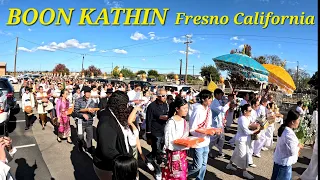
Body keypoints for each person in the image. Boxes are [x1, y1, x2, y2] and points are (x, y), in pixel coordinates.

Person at [93, 91, 133, 180]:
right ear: (120, 106)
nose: (127, 107)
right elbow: (107, 150)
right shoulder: (107, 123)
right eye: (125, 105)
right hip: (107, 167)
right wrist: (127, 163)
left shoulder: (114, 114)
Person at [226, 104, 260, 179]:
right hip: (241, 140)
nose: (251, 112)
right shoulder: (241, 119)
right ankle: (244, 171)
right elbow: (246, 131)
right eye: (250, 110)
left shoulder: (248, 117)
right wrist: (256, 131)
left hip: (245, 139)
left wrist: (256, 125)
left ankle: (229, 165)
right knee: (243, 155)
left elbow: (251, 124)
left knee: (236, 153)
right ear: (245, 111)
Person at [188, 90, 214, 180]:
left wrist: (212, 131)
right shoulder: (197, 110)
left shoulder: (208, 110)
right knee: (197, 166)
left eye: (211, 98)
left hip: (206, 141)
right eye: (209, 98)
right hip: (198, 142)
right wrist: (203, 132)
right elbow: (192, 128)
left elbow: (209, 125)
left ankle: (200, 179)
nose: (211, 100)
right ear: (203, 99)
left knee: (204, 164)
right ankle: (181, 174)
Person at [162, 97, 190, 180]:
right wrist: (181, 144)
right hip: (173, 154)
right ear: (177, 109)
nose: (186, 110)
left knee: (182, 176)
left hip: (182, 154)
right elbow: (168, 142)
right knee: (174, 176)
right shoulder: (171, 122)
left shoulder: (184, 121)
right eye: (184, 108)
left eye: (187, 108)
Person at [271, 110, 302, 180]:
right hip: (284, 163)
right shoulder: (289, 134)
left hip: (279, 160)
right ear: (293, 121)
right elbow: (292, 152)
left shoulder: (283, 128)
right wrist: (298, 147)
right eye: (298, 120)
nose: (299, 122)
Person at [145, 88, 169, 180]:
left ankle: (148, 158)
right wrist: (148, 135)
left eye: (165, 95)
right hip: (155, 132)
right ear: (158, 96)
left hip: (163, 131)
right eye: (163, 96)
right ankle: (158, 171)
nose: (164, 97)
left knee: (158, 151)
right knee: (158, 153)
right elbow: (148, 120)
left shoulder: (165, 105)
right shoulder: (151, 106)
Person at [73, 86, 98, 154]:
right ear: (84, 93)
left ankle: (89, 148)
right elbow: (75, 112)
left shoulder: (92, 101)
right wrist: (83, 115)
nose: (88, 94)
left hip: (89, 122)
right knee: (80, 136)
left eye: (89, 92)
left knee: (90, 136)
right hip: (81, 121)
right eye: (87, 92)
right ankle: (80, 145)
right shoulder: (79, 100)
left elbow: (94, 113)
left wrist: (93, 112)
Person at [209, 88, 230, 158]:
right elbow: (223, 110)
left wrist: (223, 119)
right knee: (213, 140)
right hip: (215, 125)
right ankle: (208, 152)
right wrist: (229, 104)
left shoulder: (218, 101)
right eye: (221, 94)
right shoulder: (214, 103)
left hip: (220, 124)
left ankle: (220, 152)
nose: (222, 96)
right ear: (216, 95)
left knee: (221, 139)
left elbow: (221, 113)